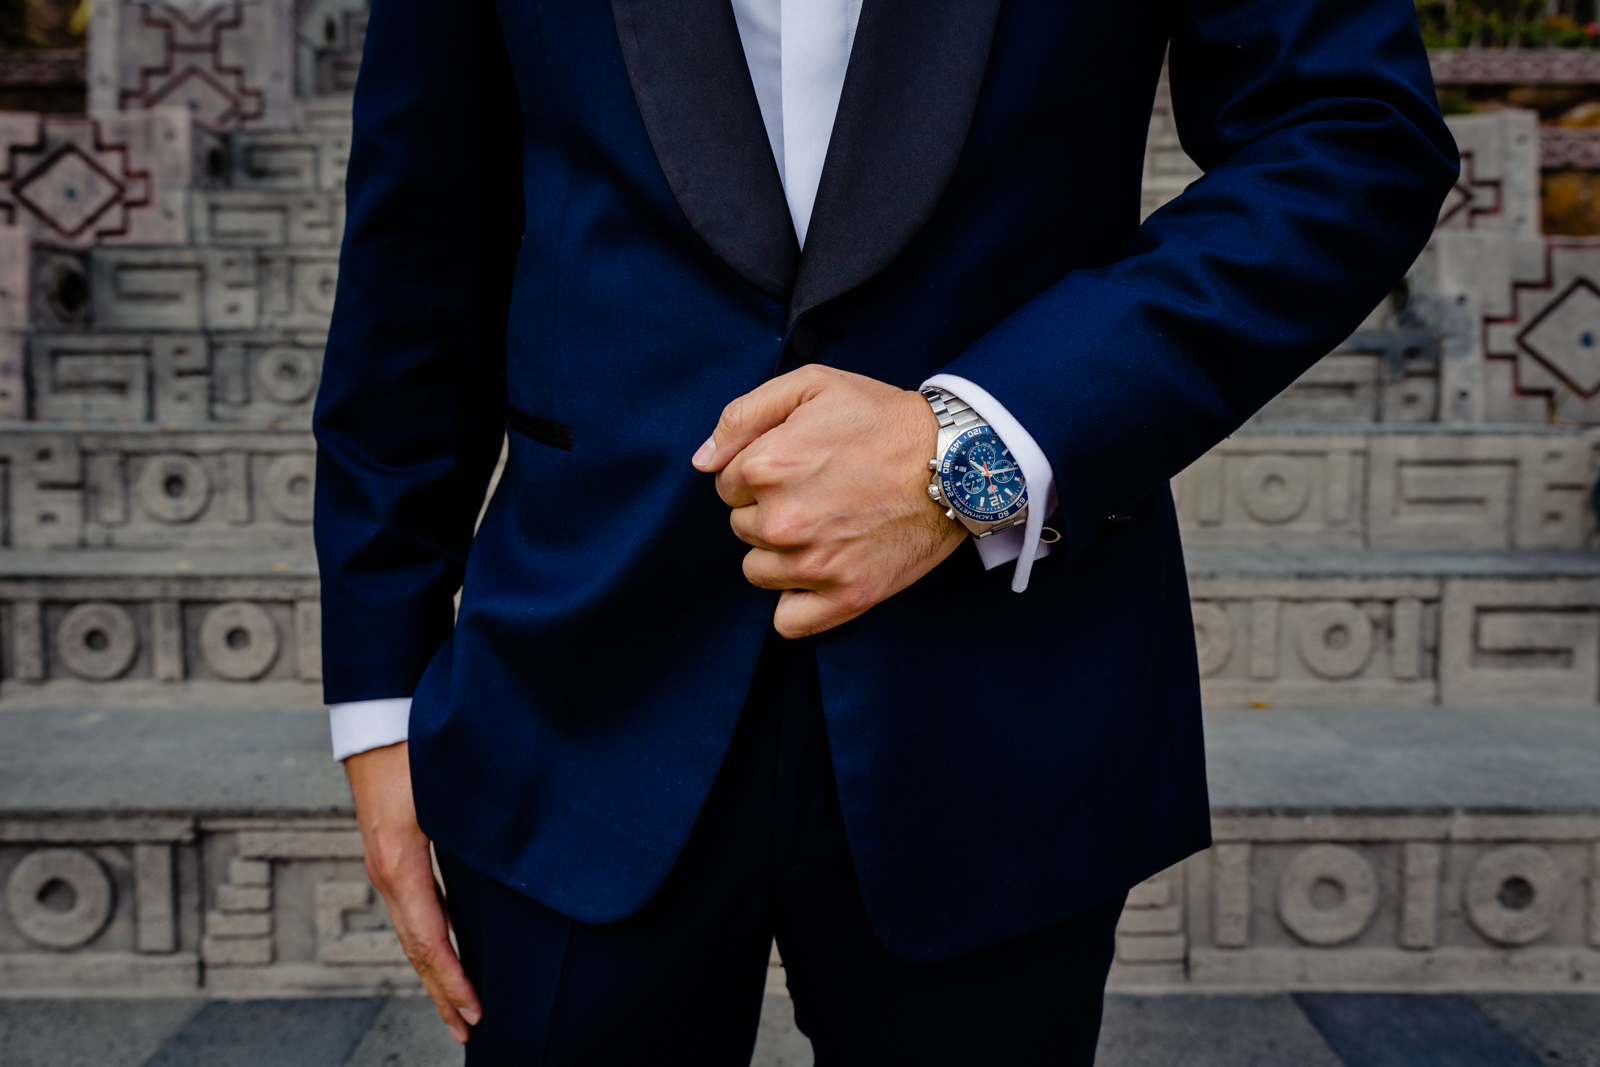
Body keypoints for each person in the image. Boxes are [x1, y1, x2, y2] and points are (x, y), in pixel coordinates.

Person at [311, 0, 1458, 1061]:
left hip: (1004, 698)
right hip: (571, 687)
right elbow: (420, 246)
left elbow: (1349, 129)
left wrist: (979, 446)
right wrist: (376, 703)